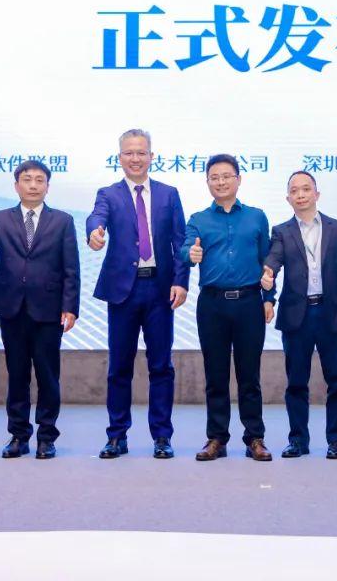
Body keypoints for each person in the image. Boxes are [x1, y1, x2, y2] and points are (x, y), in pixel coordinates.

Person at [0, 160, 80, 460]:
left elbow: (71, 268)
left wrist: (70, 307)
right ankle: (18, 435)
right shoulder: (1, 218)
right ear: (16, 185)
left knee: (48, 375)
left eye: (39, 180)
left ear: (47, 187)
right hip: (12, 308)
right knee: (17, 374)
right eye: (27, 179)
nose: (33, 185)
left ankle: (47, 437)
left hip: (49, 310)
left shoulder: (63, 221)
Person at [86, 129, 189, 460]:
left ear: (151, 157)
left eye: (141, 152)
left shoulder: (169, 194)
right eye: (129, 153)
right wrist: (94, 232)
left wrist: (181, 281)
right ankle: (117, 435)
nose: (135, 158)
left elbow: (181, 242)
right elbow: (96, 217)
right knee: (119, 366)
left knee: (161, 366)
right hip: (123, 293)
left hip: (160, 290)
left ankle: (162, 436)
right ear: (120, 158)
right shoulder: (108, 194)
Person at [181, 154, 275, 462]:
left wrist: (269, 297)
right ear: (207, 182)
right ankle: (217, 438)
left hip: (249, 302)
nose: (220, 182)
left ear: (238, 179)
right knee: (216, 375)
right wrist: (190, 254)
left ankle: (255, 438)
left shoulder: (257, 217)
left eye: (226, 176)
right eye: (214, 177)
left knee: (250, 375)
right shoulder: (198, 219)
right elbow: (184, 248)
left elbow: (267, 261)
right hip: (212, 304)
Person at [262, 171, 337, 460]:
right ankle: (298, 440)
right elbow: (273, 261)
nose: (301, 195)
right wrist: (267, 276)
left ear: (317, 194)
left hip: (333, 314)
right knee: (296, 383)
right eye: (295, 191)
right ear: (288, 198)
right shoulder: (281, 231)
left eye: (306, 189)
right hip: (297, 315)